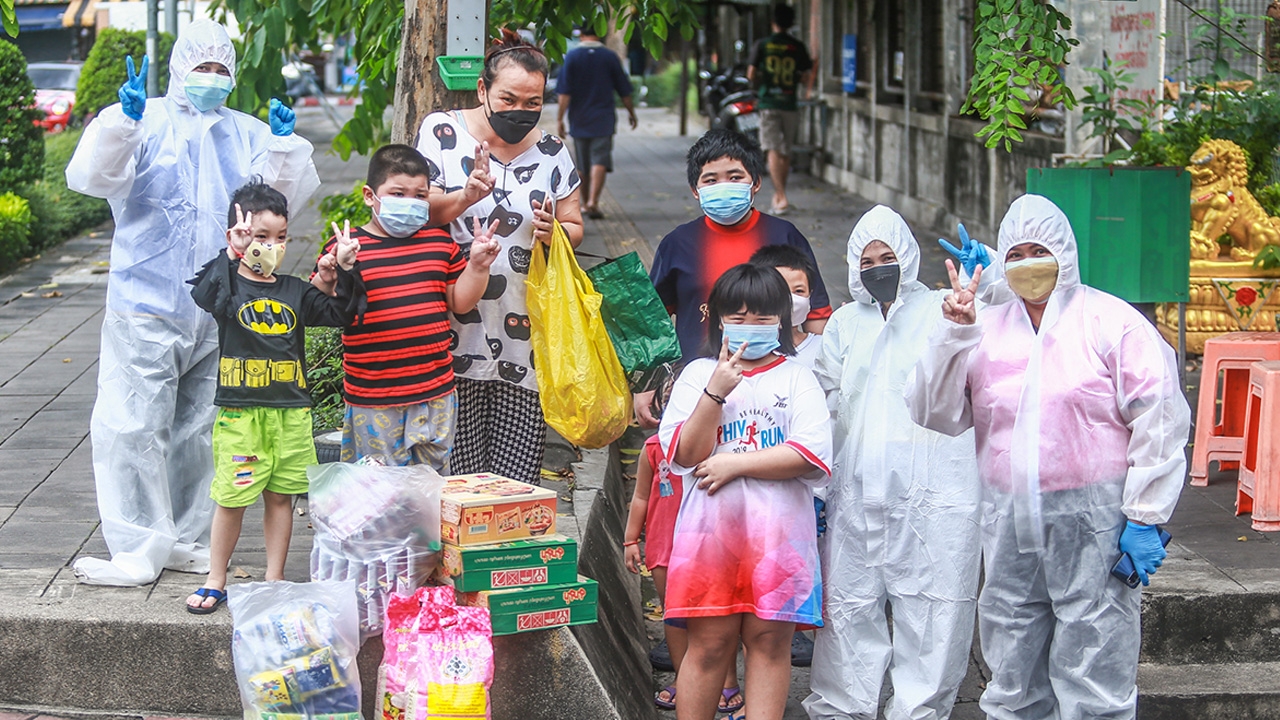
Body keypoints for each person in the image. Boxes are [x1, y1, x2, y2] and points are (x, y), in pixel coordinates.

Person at [905, 194, 1191, 720]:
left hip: (1094, 521)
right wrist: (953, 331)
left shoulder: (1112, 324)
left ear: (1065, 251)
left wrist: (1146, 514)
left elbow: (1159, 415)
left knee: (1097, 654)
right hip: (1008, 520)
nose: (1028, 264)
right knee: (1011, 657)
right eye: (1015, 254)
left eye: (1040, 250)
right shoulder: (985, 329)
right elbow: (935, 411)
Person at [65, 19, 320, 586]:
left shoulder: (246, 131)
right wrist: (120, 125)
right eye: (201, 66)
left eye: (220, 68)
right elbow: (93, 177)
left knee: (202, 429)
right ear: (179, 65)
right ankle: (135, 545)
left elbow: (278, 205)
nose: (210, 77)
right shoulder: (146, 120)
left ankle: (183, 538)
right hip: (146, 299)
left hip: (220, 304)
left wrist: (281, 147)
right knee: (133, 424)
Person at [803, 205, 984, 720]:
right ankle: (842, 708)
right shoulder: (843, 324)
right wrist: (814, 488)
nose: (878, 268)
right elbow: (824, 401)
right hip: (856, 491)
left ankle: (919, 711)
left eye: (888, 257)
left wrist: (984, 273)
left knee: (933, 610)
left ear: (908, 255)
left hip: (936, 493)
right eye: (867, 260)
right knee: (848, 607)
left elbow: (988, 319)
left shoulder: (939, 310)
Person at [660, 263, 832, 720]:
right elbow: (684, 455)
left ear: (781, 319)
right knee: (710, 645)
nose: (749, 327)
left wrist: (734, 464)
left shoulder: (797, 378)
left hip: (780, 542)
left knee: (770, 645)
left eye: (761, 317)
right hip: (710, 541)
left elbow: (810, 455)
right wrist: (715, 393)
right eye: (737, 316)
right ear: (717, 319)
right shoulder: (697, 375)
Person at [416, 29, 584, 485]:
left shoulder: (552, 152)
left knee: (515, 480)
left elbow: (574, 224)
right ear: (482, 90)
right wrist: (465, 196)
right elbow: (420, 211)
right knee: (457, 476)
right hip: (454, 325)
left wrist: (556, 234)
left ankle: (506, 557)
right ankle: (455, 558)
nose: (521, 112)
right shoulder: (442, 132)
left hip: (525, 332)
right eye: (508, 99)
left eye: (533, 103)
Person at [183, 182, 360, 613]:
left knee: (282, 496)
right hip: (241, 415)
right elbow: (203, 294)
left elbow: (342, 314)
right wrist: (230, 256)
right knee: (232, 497)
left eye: (281, 238)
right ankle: (216, 577)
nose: (272, 246)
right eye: (261, 236)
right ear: (237, 234)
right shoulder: (228, 288)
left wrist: (344, 269)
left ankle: (274, 577)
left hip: (291, 415)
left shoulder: (295, 290)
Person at [311, 145, 501, 470]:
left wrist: (478, 267)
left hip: (436, 393)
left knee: (429, 487)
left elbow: (459, 302)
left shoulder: (440, 243)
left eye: (420, 196)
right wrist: (334, 270)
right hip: (374, 398)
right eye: (398, 193)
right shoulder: (347, 248)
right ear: (370, 195)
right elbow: (319, 305)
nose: (410, 203)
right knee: (378, 492)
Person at [638, 128, 831, 428]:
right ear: (695, 189)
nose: (724, 186)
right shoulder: (677, 243)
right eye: (711, 180)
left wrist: (827, 377)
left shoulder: (784, 236)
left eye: (735, 176)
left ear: (755, 183)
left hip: (776, 390)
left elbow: (816, 314)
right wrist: (646, 385)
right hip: (698, 388)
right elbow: (653, 323)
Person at [624, 414, 745, 716]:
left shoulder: (723, 446)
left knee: (718, 616)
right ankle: (685, 677)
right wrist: (630, 540)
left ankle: (727, 679)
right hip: (664, 547)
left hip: (708, 547)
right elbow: (640, 496)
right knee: (674, 616)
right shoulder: (653, 448)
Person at [556, 26, 638, 219]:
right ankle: (593, 201)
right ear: (599, 34)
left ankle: (584, 204)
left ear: (581, 35)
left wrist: (560, 118)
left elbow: (564, 93)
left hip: (579, 117)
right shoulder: (610, 57)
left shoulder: (572, 57)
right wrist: (631, 113)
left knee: (582, 163)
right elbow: (624, 90)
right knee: (599, 159)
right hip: (604, 117)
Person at [747, 4, 813, 216]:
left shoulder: (763, 45)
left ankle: (781, 195)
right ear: (792, 23)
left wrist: (763, 79)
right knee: (785, 150)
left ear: (772, 22)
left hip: (769, 103)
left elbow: (751, 74)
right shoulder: (797, 46)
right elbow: (806, 75)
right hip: (789, 103)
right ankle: (780, 196)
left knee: (773, 148)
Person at [749, 244, 822, 369]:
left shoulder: (824, 347)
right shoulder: (741, 351)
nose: (789, 299)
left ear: (810, 295)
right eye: (778, 289)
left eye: (799, 291)